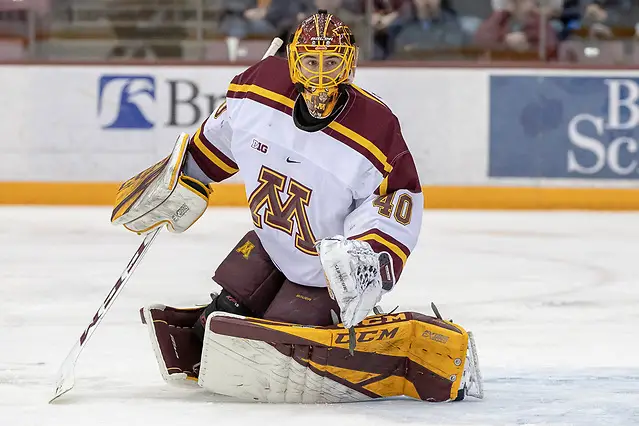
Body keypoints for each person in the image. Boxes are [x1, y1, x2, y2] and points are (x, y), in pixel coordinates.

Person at [112, 10, 482, 403]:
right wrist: (181, 178)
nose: (320, 75)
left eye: (331, 62)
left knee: (286, 337)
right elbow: (217, 143)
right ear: (293, 61)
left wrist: (366, 259)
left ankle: (372, 335)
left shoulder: (376, 127)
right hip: (272, 246)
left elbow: (396, 200)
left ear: (349, 64)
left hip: (324, 270)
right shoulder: (257, 90)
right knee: (209, 328)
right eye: (310, 61)